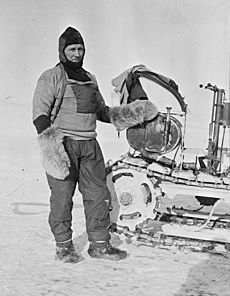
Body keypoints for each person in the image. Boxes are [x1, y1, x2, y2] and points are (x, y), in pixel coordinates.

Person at [32, 27, 158, 263]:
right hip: (64, 146)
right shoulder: (52, 77)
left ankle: (99, 245)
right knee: (62, 197)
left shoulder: (90, 79)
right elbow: (40, 115)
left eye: (80, 49)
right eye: (72, 49)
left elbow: (102, 111)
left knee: (98, 195)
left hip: (89, 146)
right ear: (63, 51)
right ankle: (63, 247)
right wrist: (53, 151)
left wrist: (135, 113)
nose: (77, 53)